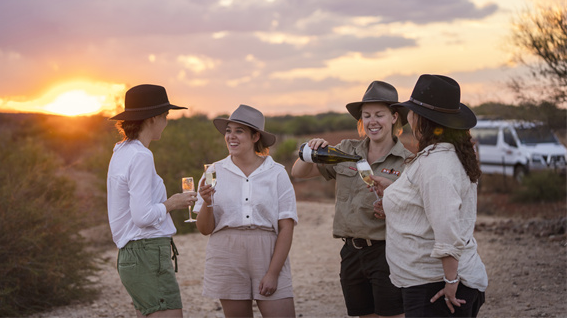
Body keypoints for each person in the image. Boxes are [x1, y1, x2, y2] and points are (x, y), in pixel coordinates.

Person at [291, 81, 412, 318]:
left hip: (387, 253)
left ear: (394, 117)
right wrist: (311, 150)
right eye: (366, 116)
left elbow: (416, 209)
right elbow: (298, 173)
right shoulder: (346, 149)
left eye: (379, 114)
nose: (372, 121)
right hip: (351, 253)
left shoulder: (407, 161)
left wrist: (394, 207)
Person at [375, 74, 488, 317]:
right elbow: (430, 204)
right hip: (428, 283)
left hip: (435, 286)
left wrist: (451, 281)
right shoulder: (442, 156)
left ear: (422, 120)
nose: (409, 117)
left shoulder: (436, 164)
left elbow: (446, 224)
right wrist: (393, 194)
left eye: (412, 112)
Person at [194, 104, 298, 318]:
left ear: (255, 136)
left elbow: (286, 228)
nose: (231, 136)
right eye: (228, 131)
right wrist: (206, 202)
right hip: (226, 253)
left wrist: (273, 272)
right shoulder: (213, 172)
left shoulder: (277, 173)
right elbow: (204, 229)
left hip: (267, 253)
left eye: (239, 131)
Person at [107, 84, 197, 318]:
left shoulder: (120, 152)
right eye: (165, 116)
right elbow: (142, 216)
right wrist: (173, 203)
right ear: (153, 119)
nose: (166, 122)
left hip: (131, 256)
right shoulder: (141, 156)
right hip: (146, 254)